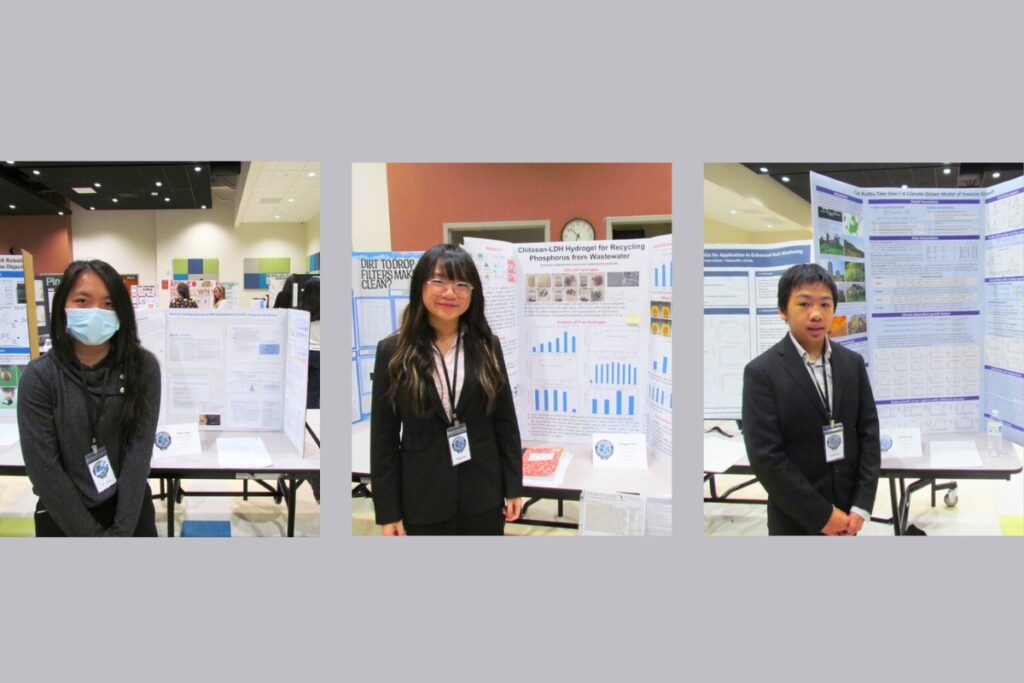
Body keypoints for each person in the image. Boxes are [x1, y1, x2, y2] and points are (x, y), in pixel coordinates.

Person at [371, 244, 523, 535]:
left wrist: (513, 485)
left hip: (483, 491)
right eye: (439, 281)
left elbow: (505, 422)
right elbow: (383, 439)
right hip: (422, 495)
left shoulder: (488, 346)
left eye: (461, 284)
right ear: (420, 286)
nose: (450, 293)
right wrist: (388, 510)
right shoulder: (393, 352)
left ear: (473, 292)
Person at [17, 260, 162, 536]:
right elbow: (44, 470)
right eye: (82, 300)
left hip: (129, 510)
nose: (96, 312)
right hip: (63, 515)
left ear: (122, 311)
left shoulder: (143, 367)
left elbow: (138, 454)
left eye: (108, 304)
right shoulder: (39, 377)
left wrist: (121, 531)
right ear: (63, 306)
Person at [742, 263, 880, 536]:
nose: (816, 314)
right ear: (783, 311)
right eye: (804, 304)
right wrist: (823, 516)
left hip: (848, 516)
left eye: (825, 305)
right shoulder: (762, 372)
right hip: (795, 519)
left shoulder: (851, 363)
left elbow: (868, 433)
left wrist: (861, 505)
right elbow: (766, 459)